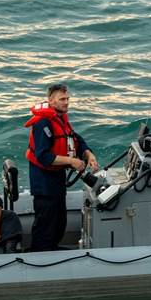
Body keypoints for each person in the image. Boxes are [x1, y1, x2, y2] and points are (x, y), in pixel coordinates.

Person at [25, 83, 100, 251]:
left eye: (68, 99)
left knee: (59, 223)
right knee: (46, 225)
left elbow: (75, 139)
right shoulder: (43, 124)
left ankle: (52, 249)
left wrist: (88, 154)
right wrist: (71, 161)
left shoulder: (61, 119)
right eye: (62, 99)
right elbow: (43, 156)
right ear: (51, 101)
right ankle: (40, 255)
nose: (66, 103)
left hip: (56, 181)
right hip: (44, 184)